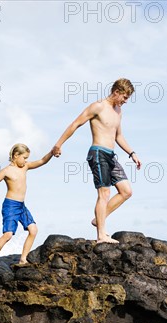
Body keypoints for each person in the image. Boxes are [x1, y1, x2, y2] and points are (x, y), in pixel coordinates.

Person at [52, 78, 142, 244]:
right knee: (104, 193)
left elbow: (119, 136)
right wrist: (58, 144)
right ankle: (101, 235)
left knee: (126, 191)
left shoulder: (118, 112)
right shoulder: (98, 106)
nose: (125, 101)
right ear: (116, 92)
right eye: (125, 97)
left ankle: (98, 219)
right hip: (98, 153)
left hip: (111, 155)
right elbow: (75, 124)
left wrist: (132, 153)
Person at [0, 143, 53, 274]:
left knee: (33, 230)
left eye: (27, 158)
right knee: (8, 234)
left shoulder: (25, 167)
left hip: (22, 206)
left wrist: (52, 152)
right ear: (16, 156)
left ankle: (23, 259)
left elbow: (42, 161)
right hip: (10, 206)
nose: (26, 160)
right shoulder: (6, 171)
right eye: (24, 157)